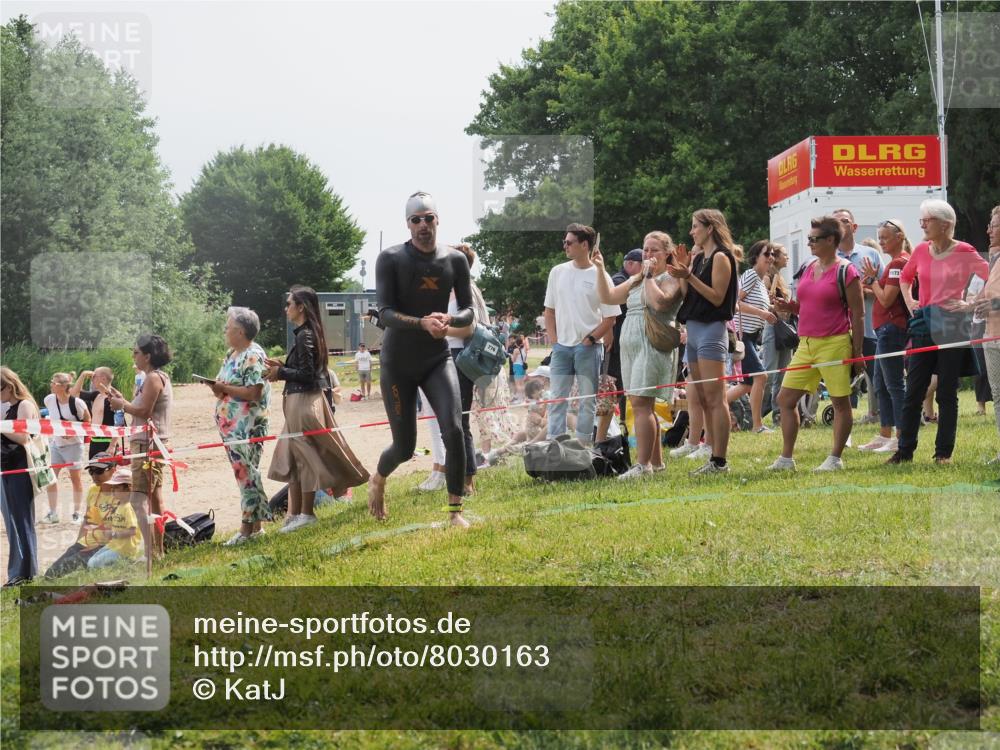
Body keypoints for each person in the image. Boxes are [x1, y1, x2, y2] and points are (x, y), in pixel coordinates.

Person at [368, 192, 474, 527]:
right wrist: (422, 323)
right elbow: (385, 312)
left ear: (437, 220)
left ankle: (454, 513)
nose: (423, 225)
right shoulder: (391, 258)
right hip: (398, 363)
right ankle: (378, 479)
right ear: (408, 224)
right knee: (404, 448)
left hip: (436, 359)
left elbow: (469, 311)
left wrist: (449, 319)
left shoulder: (455, 260)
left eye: (428, 218)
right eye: (416, 220)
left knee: (454, 430)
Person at [889, 199, 990, 464]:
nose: (922, 224)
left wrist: (971, 304)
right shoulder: (921, 250)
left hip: (953, 326)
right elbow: (905, 277)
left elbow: (992, 277)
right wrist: (910, 301)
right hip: (924, 325)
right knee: (914, 391)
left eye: (927, 220)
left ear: (945, 225)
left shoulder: (965, 251)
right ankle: (904, 452)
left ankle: (943, 453)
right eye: (921, 220)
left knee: (946, 392)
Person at [264, 286, 369, 531]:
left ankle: (307, 513)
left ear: (301, 307)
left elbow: (308, 374)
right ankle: (295, 514)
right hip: (298, 401)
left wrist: (281, 372)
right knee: (294, 457)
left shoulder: (306, 335)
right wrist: (282, 366)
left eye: (289, 304)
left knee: (305, 458)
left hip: (303, 402)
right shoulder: (306, 334)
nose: (286, 308)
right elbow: (304, 369)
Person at [769, 216, 864, 472]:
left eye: (814, 239)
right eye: (809, 238)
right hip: (806, 343)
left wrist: (857, 353)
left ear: (831, 240)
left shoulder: (847, 271)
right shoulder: (809, 266)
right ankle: (786, 459)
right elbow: (807, 305)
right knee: (785, 399)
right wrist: (790, 307)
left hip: (835, 343)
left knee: (840, 403)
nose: (809, 243)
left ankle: (835, 458)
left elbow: (858, 314)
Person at [595, 231, 683, 478]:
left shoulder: (670, 277)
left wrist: (648, 275)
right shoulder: (636, 278)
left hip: (651, 345)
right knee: (643, 405)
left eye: (654, 250)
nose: (648, 254)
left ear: (667, 253)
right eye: (645, 249)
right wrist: (600, 269)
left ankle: (642, 466)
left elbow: (660, 304)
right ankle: (656, 464)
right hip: (631, 347)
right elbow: (609, 296)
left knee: (642, 404)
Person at [668, 209, 740, 475]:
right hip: (694, 330)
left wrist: (689, 276)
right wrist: (683, 273)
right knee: (702, 397)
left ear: (710, 228)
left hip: (711, 330)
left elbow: (717, 297)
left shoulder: (721, 257)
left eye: (695, 226)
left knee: (716, 398)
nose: (691, 232)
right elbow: (689, 295)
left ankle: (720, 460)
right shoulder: (700, 258)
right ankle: (710, 451)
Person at [544, 223, 619, 446]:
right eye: (564, 242)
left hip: (589, 348)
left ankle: (584, 447)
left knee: (587, 400)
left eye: (569, 242)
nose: (565, 246)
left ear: (585, 245)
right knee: (557, 399)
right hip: (561, 348)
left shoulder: (601, 275)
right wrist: (555, 341)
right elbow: (549, 311)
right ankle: (555, 446)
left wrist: (591, 339)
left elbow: (610, 317)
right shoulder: (557, 272)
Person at [206, 307, 274, 545]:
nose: (225, 331)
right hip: (230, 426)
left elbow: (254, 392)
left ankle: (246, 530)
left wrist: (224, 388)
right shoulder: (231, 354)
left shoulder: (253, 355)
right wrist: (217, 387)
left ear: (241, 331)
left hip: (247, 426)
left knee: (246, 474)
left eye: (228, 327)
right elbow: (223, 385)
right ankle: (256, 528)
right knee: (245, 473)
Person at [108, 334, 174, 561]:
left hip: (147, 444)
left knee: (139, 500)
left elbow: (145, 412)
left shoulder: (153, 378)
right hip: (151, 442)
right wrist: (123, 400)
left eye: (136, 352)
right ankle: (157, 552)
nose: (133, 356)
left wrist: (122, 405)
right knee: (154, 497)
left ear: (148, 356)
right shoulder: (155, 377)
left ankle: (151, 553)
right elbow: (143, 408)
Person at [858, 219, 912, 454]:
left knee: (894, 384)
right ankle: (884, 434)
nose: (881, 242)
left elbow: (887, 299)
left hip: (891, 329)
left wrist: (872, 281)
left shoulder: (899, 263)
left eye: (885, 237)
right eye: (879, 237)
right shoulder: (895, 263)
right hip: (884, 330)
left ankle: (900, 436)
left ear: (899, 237)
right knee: (880, 384)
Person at [833, 209, 884, 424]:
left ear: (854, 227)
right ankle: (842, 419)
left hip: (869, 327)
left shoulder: (870, 255)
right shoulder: (827, 258)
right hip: (837, 330)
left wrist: (862, 292)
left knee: (878, 377)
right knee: (838, 380)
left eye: (845, 221)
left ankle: (880, 417)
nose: (840, 224)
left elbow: (886, 291)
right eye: (835, 222)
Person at [726, 241, 778, 434]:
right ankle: (757, 426)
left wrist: (772, 308)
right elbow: (735, 303)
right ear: (756, 257)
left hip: (752, 336)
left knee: (747, 384)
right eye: (767, 254)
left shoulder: (762, 282)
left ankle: (712, 406)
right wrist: (762, 313)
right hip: (744, 336)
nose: (771, 257)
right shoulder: (751, 275)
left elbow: (756, 305)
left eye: (772, 254)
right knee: (761, 376)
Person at [44, 451, 119, 578]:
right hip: (89, 541)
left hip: (106, 544)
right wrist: (77, 543)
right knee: (51, 572)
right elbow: (87, 519)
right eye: (91, 471)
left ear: (113, 470)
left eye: (99, 471)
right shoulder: (93, 489)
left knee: (65, 568)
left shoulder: (122, 493)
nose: (94, 475)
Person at [1, 367, 41, 586]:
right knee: (14, 521)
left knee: (21, 522)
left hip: (20, 468)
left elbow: (24, 437)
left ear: (8, 386)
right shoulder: (11, 407)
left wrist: (1, 426)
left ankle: (25, 573)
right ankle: (20, 571)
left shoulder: (24, 405)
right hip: (9, 468)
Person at [599, 248, 643, 442]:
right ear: (631, 264)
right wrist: (608, 332)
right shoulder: (619, 280)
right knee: (610, 391)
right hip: (615, 349)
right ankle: (600, 437)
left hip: (626, 347)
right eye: (643, 265)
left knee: (622, 391)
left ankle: (621, 428)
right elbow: (607, 307)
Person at [43, 371, 92, 524]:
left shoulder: (77, 403)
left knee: (75, 479)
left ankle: (77, 513)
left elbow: (88, 422)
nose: (51, 384)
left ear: (64, 386)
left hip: (74, 446)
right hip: (56, 445)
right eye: (51, 381)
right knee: (51, 478)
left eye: (54, 383)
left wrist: (71, 433)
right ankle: (52, 513)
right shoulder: (49, 400)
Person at [974, 205, 1000, 463]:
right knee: (998, 396)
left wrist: (994, 305)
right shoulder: (995, 260)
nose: (988, 230)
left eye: (994, 226)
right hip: (991, 336)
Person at [761, 243, 792, 423]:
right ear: (776, 258)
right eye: (784, 254)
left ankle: (778, 413)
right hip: (772, 327)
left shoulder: (780, 278)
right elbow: (764, 305)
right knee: (770, 373)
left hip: (784, 327)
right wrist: (776, 305)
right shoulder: (767, 278)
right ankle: (756, 413)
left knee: (783, 373)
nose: (787, 257)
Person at [87, 467, 142, 569]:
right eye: (112, 487)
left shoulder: (128, 508)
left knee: (93, 564)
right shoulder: (119, 505)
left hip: (125, 549)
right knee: (91, 561)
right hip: (116, 545)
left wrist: (113, 534)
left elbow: (132, 531)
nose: (112, 490)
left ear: (127, 489)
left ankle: (127, 561)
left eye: (116, 487)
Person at [71, 367, 120, 458]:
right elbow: (74, 394)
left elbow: (119, 423)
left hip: (107, 442)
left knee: (105, 467)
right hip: (94, 440)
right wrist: (83, 375)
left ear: (103, 378)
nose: (91, 379)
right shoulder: (96, 395)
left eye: (94, 376)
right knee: (92, 467)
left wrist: (112, 445)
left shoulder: (113, 398)